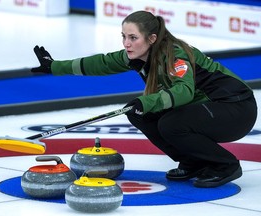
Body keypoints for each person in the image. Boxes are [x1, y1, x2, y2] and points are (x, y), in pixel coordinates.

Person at [31, 10, 257, 188]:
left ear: (152, 38)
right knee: (140, 114)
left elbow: (183, 92)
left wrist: (146, 101)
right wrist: (54, 66)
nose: (126, 43)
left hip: (235, 108)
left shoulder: (175, 54)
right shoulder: (138, 53)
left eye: (132, 37)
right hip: (209, 106)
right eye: (124, 37)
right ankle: (194, 161)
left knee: (171, 123)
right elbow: (100, 63)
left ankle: (225, 165)